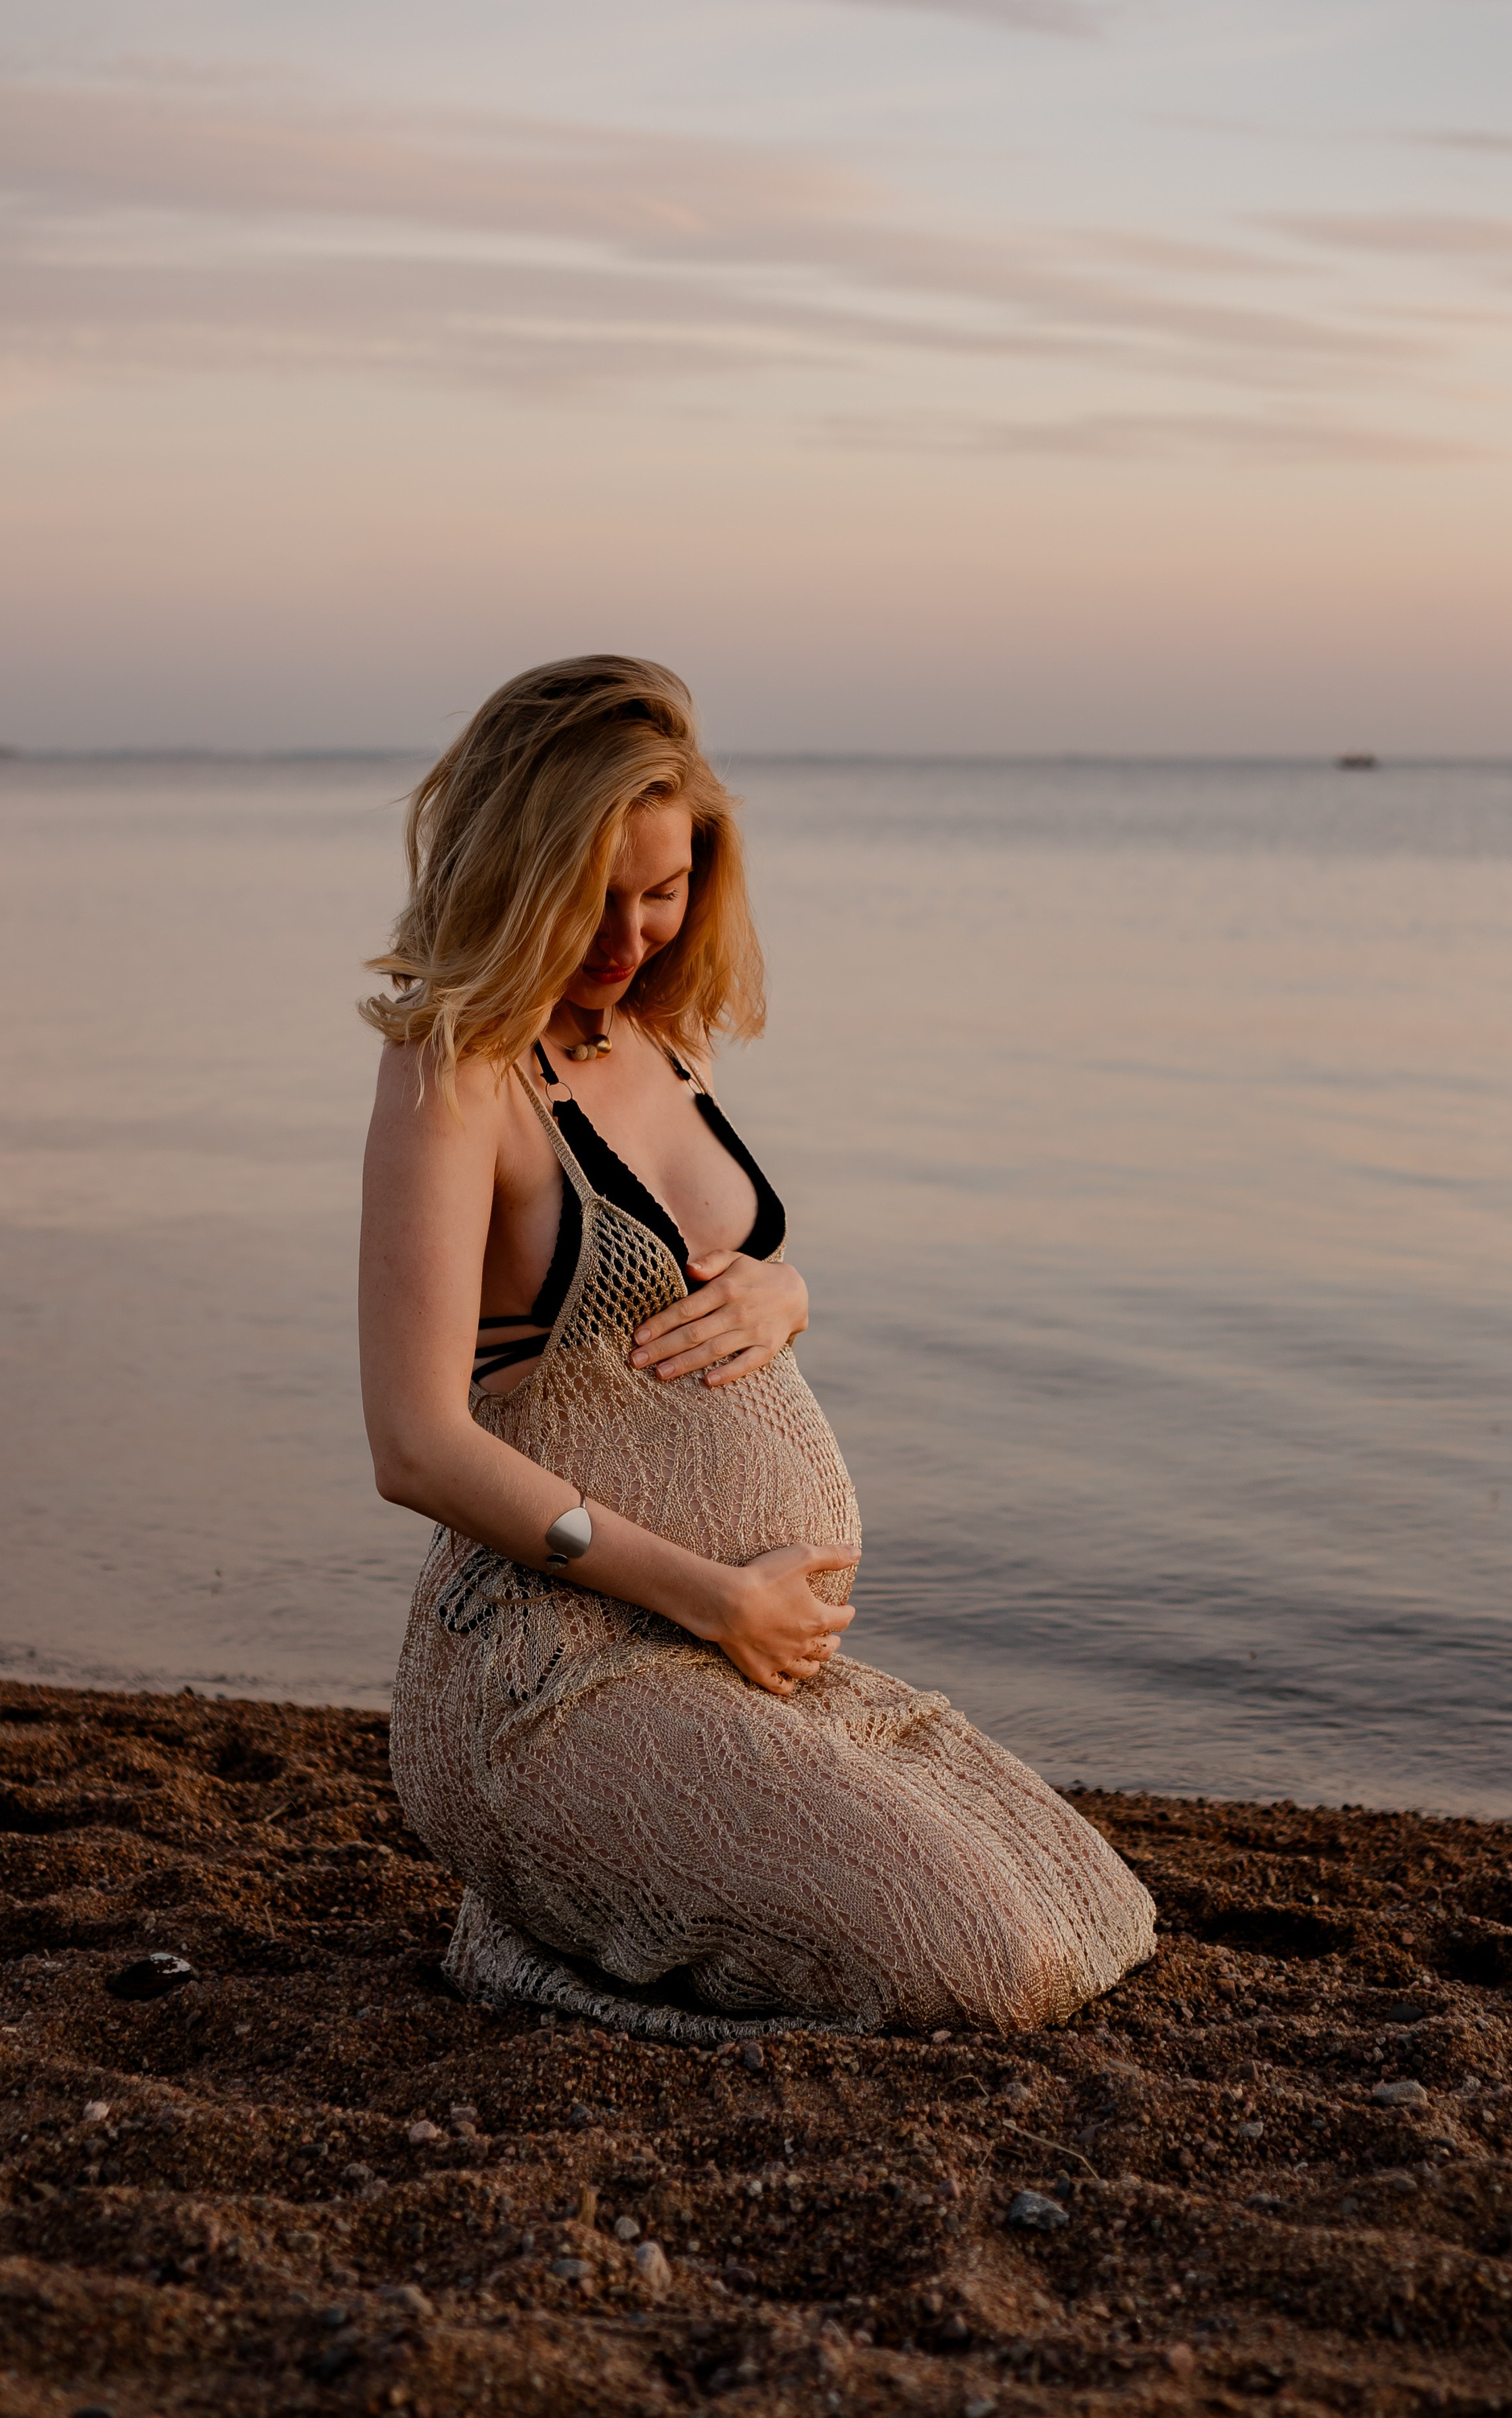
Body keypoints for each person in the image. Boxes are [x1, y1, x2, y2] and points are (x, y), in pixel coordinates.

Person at [359, 655, 1155, 2040]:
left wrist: (788, 1293)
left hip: (736, 1663)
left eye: (661, 888)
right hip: (552, 1677)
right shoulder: (457, 1072)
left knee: (1093, 1915)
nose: (629, 934)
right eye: (591, 896)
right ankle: (527, 1940)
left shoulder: (666, 1038)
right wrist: (713, 1598)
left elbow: (697, 1264)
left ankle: (597, 1897)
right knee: (968, 1973)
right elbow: (415, 1444)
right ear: (511, 865)